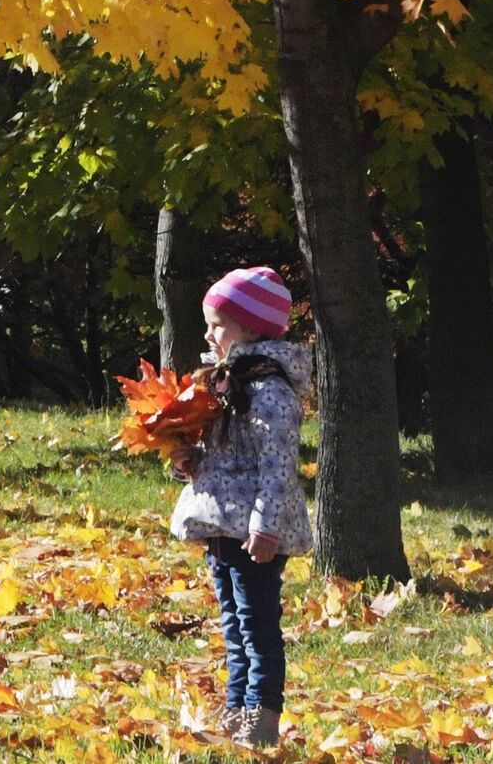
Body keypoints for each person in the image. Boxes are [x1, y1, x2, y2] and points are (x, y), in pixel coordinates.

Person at [168, 266, 313, 750]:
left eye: (218, 325)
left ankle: (263, 715)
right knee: (232, 621)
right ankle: (236, 708)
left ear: (251, 328)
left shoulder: (268, 389)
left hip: (254, 530)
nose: (209, 334)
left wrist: (265, 526)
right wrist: (190, 461)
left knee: (257, 623)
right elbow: (227, 455)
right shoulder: (226, 383)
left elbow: (276, 465)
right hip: (223, 524)